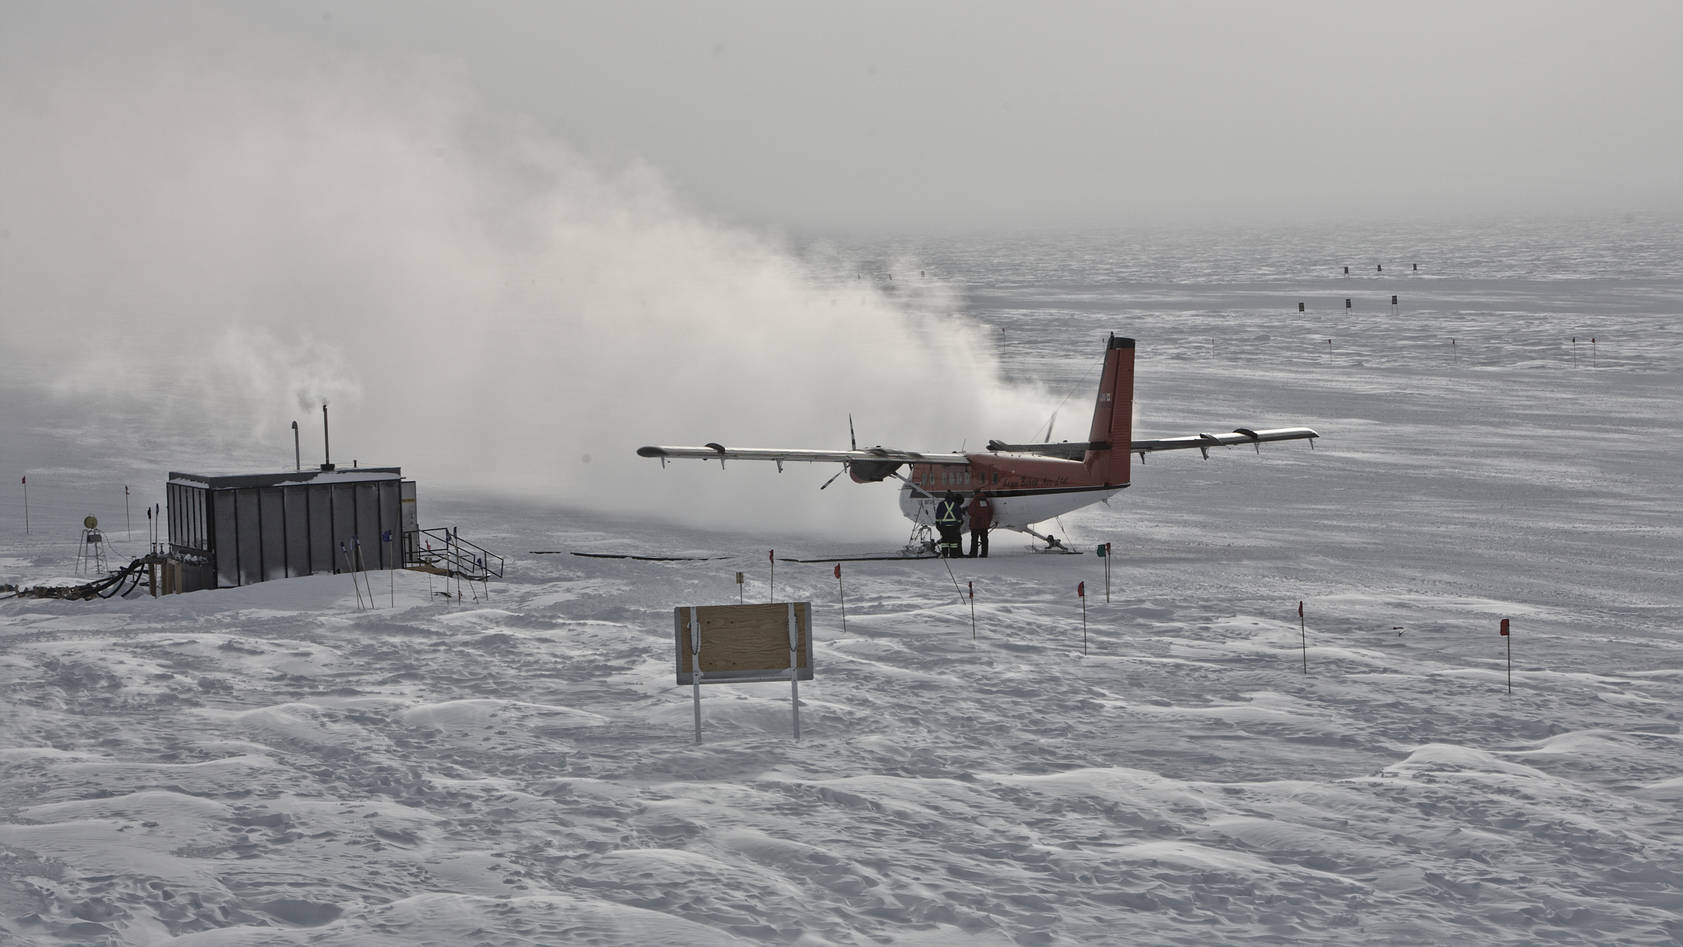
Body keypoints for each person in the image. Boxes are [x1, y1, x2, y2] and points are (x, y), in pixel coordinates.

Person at [934, 491, 964, 558]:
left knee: (944, 541)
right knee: (953, 542)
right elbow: (959, 516)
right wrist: (958, 524)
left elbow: (938, 515)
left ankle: (945, 554)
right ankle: (953, 554)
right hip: (954, 526)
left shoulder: (941, 504)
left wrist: (938, 525)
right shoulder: (956, 505)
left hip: (944, 526)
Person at [966, 489, 993, 558]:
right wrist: (988, 522)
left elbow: (970, 511)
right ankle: (984, 554)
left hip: (975, 524)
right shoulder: (986, 502)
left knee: (974, 540)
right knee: (984, 540)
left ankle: (973, 553)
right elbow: (990, 513)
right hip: (984, 525)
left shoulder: (974, 502)